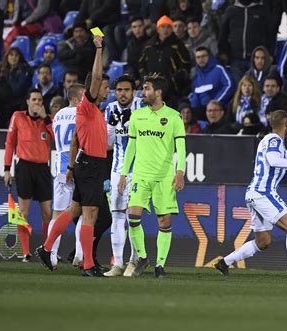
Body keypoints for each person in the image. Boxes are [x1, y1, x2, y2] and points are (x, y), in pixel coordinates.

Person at [214, 110, 287, 278]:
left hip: (254, 193)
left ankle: (224, 262)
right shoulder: (274, 139)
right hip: (263, 192)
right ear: (286, 124)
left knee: (263, 241)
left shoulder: (266, 139)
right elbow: (273, 160)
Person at [37, 34, 111, 277]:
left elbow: (77, 141)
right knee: (90, 215)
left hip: (87, 164)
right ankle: (88, 265)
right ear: (93, 89)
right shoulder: (88, 108)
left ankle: (47, 248)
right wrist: (99, 49)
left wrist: (71, 166)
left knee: (73, 211)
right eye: (105, 86)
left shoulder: (95, 112)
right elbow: (97, 76)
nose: (107, 89)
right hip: (90, 165)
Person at [117, 72, 186, 278]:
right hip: (140, 175)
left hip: (164, 177)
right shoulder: (137, 115)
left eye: (147, 88)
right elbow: (131, 147)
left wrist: (180, 172)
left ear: (158, 92)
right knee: (133, 216)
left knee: (164, 222)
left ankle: (160, 266)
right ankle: (143, 257)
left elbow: (180, 148)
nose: (142, 92)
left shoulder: (174, 116)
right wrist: (123, 173)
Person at [3, 88, 54, 262]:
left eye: (40, 100)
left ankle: (48, 250)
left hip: (43, 168)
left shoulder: (48, 121)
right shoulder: (18, 116)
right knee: (23, 212)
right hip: (24, 167)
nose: (37, 103)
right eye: (34, 100)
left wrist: (45, 117)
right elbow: (10, 142)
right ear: (27, 101)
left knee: (47, 213)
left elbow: (56, 136)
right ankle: (26, 253)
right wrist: (7, 169)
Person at [104, 75, 143, 277]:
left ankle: (134, 261)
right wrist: (111, 129)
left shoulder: (143, 107)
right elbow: (107, 143)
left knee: (134, 217)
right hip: (117, 169)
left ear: (133, 92)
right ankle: (118, 264)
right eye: (119, 90)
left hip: (139, 169)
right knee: (117, 216)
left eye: (126, 90)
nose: (122, 94)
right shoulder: (110, 109)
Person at [48, 84, 86, 268]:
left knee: (57, 214)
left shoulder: (58, 116)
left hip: (60, 169)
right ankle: (80, 254)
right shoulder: (82, 114)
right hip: (78, 167)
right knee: (84, 213)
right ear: (77, 98)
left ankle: (51, 255)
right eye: (85, 95)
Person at [138, 15, 192, 106]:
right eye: (163, 27)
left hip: (172, 90)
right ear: (158, 29)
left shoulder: (178, 45)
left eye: (168, 27)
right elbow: (141, 64)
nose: (165, 30)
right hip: (152, 88)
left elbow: (186, 65)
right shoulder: (149, 45)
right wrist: (145, 78)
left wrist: (174, 79)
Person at [189, 46, 234, 115]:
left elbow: (229, 86)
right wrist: (194, 109)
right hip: (201, 112)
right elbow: (194, 93)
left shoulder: (219, 69)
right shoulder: (196, 75)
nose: (201, 59)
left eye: (203, 56)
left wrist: (215, 103)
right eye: (198, 57)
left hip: (218, 110)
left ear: (209, 56)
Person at [0, 47, 33, 113]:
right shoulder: (2, 70)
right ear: (7, 56)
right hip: (5, 104)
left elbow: (17, 90)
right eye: (11, 55)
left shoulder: (24, 70)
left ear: (20, 57)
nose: (13, 57)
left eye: (16, 55)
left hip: (18, 105)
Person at [125, 16, 149, 84]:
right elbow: (130, 64)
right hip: (135, 77)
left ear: (144, 26)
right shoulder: (131, 44)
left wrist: (139, 80)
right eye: (134, 27)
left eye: (140, 26)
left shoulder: (150, 42)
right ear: (131, 29)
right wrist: (134, 79)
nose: (137, 29)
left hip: (146, 77)